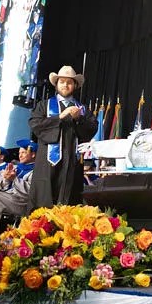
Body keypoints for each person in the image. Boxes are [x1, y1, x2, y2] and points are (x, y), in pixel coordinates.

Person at [29, 65, 98, 207]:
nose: (65, 85)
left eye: (69, 82)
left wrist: (79, 119)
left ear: (75, 85)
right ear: (56, 84)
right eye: (62, 81)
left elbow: (92, 129)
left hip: (72, 163)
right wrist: (60, 117)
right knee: (44, 201)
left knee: (70, 201)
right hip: (47, 164)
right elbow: (36, 125)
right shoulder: (44, 106)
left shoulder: (82, 109)